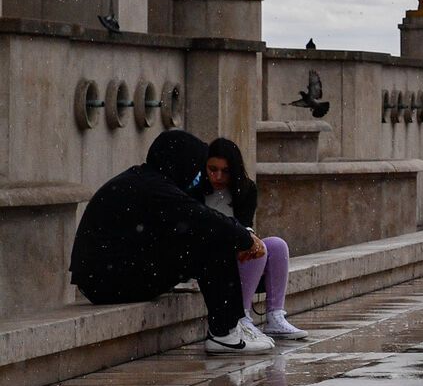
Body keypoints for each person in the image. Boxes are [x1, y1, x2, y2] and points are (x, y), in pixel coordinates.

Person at [70, 129, 269, 355]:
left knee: (208, 236)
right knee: (212, 239)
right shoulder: (155, 188)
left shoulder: (144, 180)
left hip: (105, 278)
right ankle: (225, 333)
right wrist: (245, 238)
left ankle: (234, 324)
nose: (199, 174)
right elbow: (200, 217)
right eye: (197, 166)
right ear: (181, 161)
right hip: (109, 282)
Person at [201, 138, 304, 341]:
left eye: (225, 171)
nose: (218, 176)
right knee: (252, 246)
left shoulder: (245, 190)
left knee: (275, 245)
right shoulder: (196, 191)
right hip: (208, 257)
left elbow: (244, 226)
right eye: (213, 169)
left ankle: (275, 315)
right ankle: (241, 316)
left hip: (235, 254)